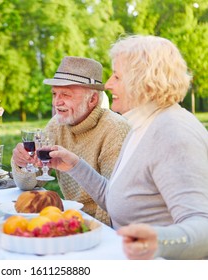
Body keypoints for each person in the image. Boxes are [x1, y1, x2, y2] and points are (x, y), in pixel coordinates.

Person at [48, 35, 208, 259]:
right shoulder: (142, 124)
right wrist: (74, 165)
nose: (108, 84)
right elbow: (115, 198)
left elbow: (203, 226)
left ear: (143, 80)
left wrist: (160, 240)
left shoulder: (173, 133)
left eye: (117, 76)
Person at [11, 57, 130, 225]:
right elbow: (30, 183)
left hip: (100, 228)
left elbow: (114, 203)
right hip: (71, 219)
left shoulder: (115, 130)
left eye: (65, 94)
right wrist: (22, 164)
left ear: (92, 100)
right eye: (54, 94)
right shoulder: (57, 124)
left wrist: (93, 231)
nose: (56, 102)